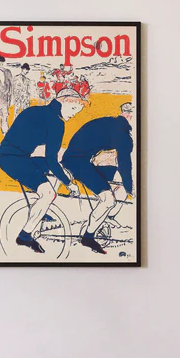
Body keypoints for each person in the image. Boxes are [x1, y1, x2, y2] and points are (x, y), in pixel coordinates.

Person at [0, 83, 88, 253]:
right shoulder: (57, 123)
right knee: (50, 192)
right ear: (64, 101)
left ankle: (41, 208)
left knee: (60, 172)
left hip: (14, 155)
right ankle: (24, 236)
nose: (74, 114)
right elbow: (51, 159)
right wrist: (68, 184)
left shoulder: (36, 111)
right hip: (13, 160)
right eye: (74, 108)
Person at [62, 101, 134, 254]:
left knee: (118, 176)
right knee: (108, 199)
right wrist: (130, 189)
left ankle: (105, 218)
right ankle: (88, 237)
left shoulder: (111, 123)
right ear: (129, 115)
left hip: (80, 159)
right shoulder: (122, 133)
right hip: (77, 163)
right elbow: (124, 162)